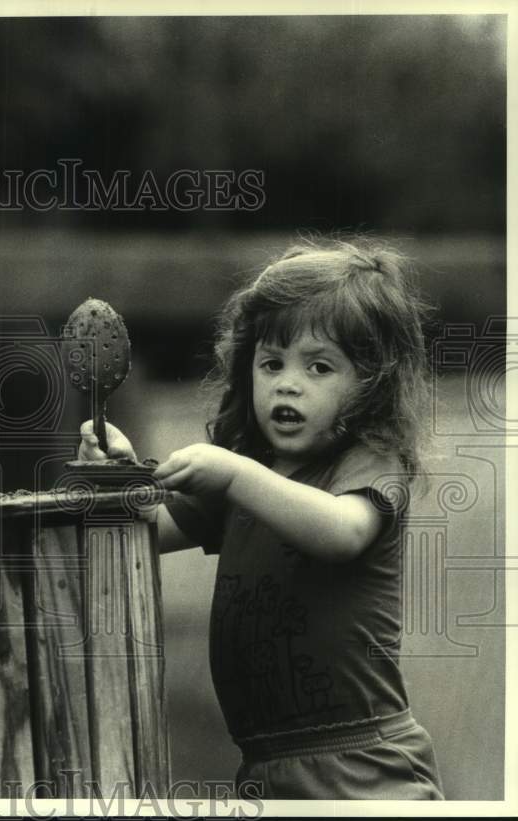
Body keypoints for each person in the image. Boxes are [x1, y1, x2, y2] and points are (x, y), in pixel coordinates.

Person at [80, 239, 443, 799]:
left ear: (372, 384)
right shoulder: (250, 477)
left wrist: (234, 477)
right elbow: (145, 531)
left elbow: (342, 532)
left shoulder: (367, 463)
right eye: (271, 363)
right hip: (265, 768)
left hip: (364, 769)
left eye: (319, 367)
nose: (287, 383)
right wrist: (118, 479)